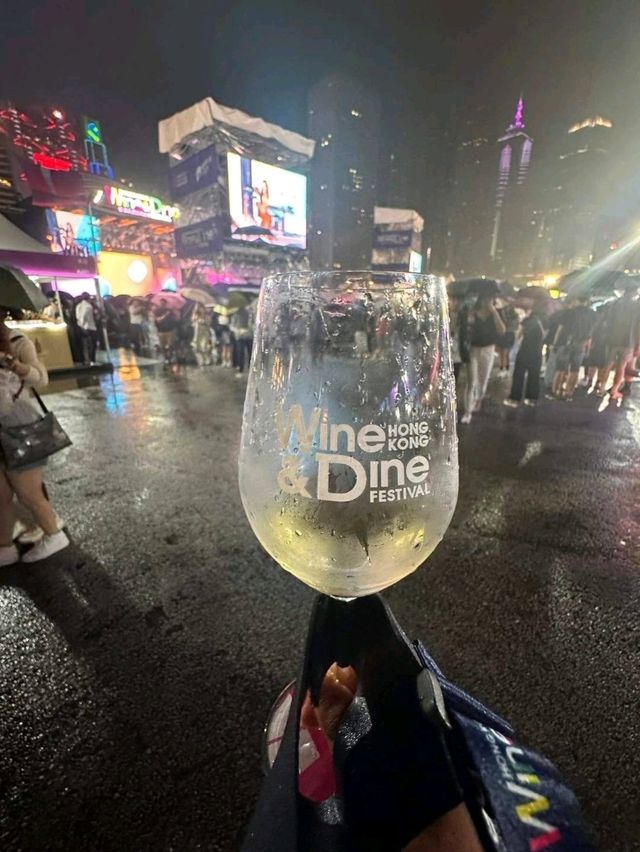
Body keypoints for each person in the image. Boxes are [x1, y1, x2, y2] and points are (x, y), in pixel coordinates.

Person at [0, 310, 69, 566]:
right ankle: (5, 547)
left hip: (20, 427)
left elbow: (42, 379)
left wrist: (17, 366)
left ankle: (53, 533)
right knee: (1, 496)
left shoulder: (18, 341)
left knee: (27, 492)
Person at [460, 294, 505, 424]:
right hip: (473, 349)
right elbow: (467, 329)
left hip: (488, 349)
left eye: (490, 298)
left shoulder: (496, 313)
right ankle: (467, 412)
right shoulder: (473, 312)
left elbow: (502, 330)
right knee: (471, 381)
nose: (487, 300)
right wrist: (470, 318)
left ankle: (477, 400)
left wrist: (494, 311)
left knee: (483, 382)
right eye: (485, 298)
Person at [596, 283, 640, 400]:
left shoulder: (614, 304)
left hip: (612, 339)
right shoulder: (637, 306)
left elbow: (607, 320)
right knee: (621, 366)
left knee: (608, 364)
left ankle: (601, 388)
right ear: (634, 292)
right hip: (628, 341)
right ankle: (614, 390)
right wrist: (638, 344)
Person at [551, 296, 595, 399]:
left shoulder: (569, 312)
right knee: (575, 370)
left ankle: (556, 391)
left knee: (560, 369)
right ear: (587, 301)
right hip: (581, 344)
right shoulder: (592, 314)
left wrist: (555, 343)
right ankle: (569, 392)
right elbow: (591, 332)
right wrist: (588, 347)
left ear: (577, 300)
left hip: (565, 342)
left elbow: (560, 329)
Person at [504, 308, 546, 407]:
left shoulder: (526, 321)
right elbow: (543, 336)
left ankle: (514, 399)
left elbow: (519, 334)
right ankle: (531, 399)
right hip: (537, 352)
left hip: (525, 350)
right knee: (534, 375)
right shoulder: (541, 322)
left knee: (519, 375)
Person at [230, 304, 255, 375]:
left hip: (248, 336)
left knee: (250, 353)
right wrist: (237, 330)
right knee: (240, 353)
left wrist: (248, 329)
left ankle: (250, 369)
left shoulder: (250, 313)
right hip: (239, 336)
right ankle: (241, 369)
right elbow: (232, 326)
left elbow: (253, 324)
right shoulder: (235, 314)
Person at [495, 301, 519, 374]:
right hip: (503, 335)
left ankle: (505, 369)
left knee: (505, 353)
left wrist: (506, 325)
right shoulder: (501, 312)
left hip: (509, 335)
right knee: (502, 353)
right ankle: (502, 368)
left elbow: (515, 326)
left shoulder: (515, 315)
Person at [75, 293, 98, 364]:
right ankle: (92, 360)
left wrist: (80, 325)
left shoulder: (78, 306)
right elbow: (83, 316)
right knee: (92, 345)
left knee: (85, 345)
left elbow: (78, 316)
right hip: (90, 327)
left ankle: (86, 360)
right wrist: (83, 324)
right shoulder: (88, 306)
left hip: (81, 327)